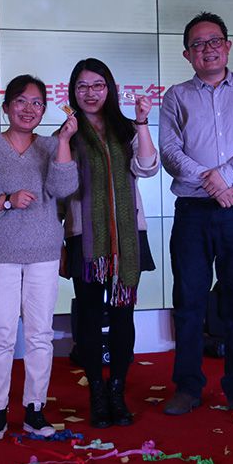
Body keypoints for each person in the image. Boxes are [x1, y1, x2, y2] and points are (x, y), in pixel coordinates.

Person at [159, 12, 233, 419]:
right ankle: (188, 387)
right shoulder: (176, 96)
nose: (207, 49)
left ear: (228, 46)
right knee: (188, 300)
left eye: (214, 41)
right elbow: (170, 152)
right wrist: (211, 183)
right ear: (186, 54)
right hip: (193, 213)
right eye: (197, 44)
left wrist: (225, 177)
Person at [0, 74, 78, 440]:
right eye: (21, 102)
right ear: (6, 106)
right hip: (0, 253)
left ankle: (34, 410)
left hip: (44, 252)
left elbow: (65, 188)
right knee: (1, 333)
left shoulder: (51, 145)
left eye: (37, 103)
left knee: (41, 334)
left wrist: (64, 142)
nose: (29, 109)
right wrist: (5, 200)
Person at [62, 58, 159, 428]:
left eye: (98, 85)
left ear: (110, 89)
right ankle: (96, 395)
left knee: (123, 316)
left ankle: (117, 391)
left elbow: (147, 167)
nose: (90, 93)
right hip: (85, 239)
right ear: (73, 91)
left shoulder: (125, 127)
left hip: (128, 238)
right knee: (88, 318)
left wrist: (142, 122)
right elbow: (59, 189)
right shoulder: (67, 132)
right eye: (82, 86)